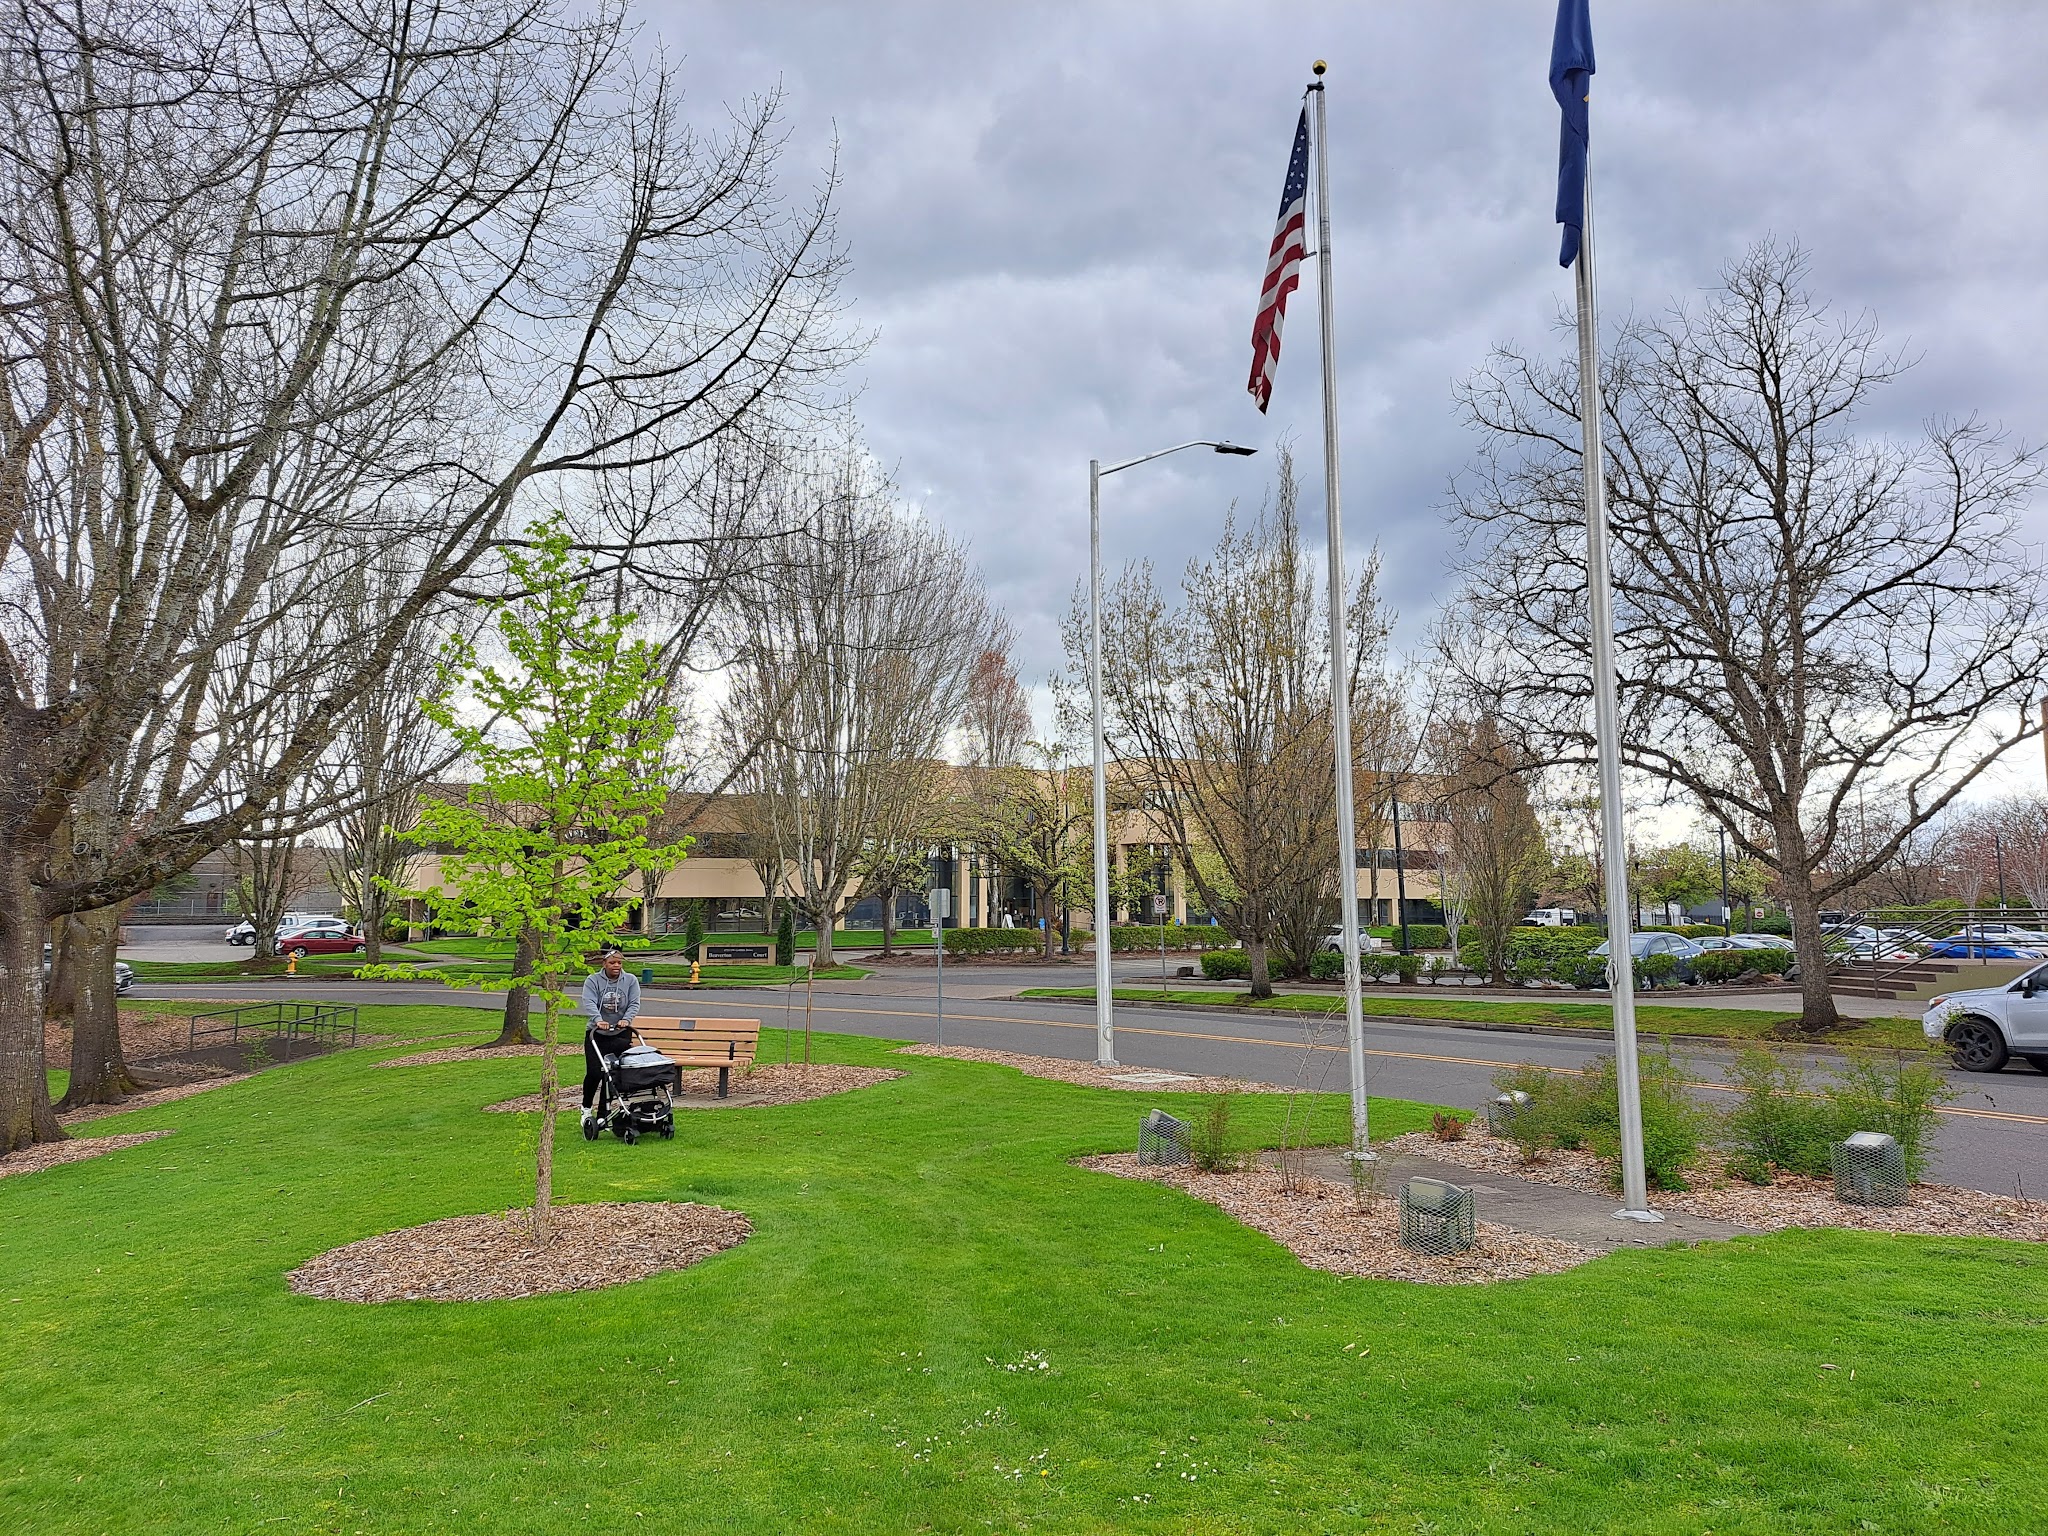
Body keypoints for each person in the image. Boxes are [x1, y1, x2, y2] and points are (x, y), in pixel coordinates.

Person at [579, 946, 642, 1131]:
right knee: (595, 1073)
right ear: (604, 963)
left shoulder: (630, 980)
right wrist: (598, 1020)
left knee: (614, 1074)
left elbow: (634, 1002)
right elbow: (589, 1001)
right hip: (597, 1035)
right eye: (612, 962)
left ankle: (603, 1115)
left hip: (620, 1033)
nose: (616, 966)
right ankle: (586, 1108)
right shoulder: (593, 980)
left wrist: (626, 1020)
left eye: (619, 962)